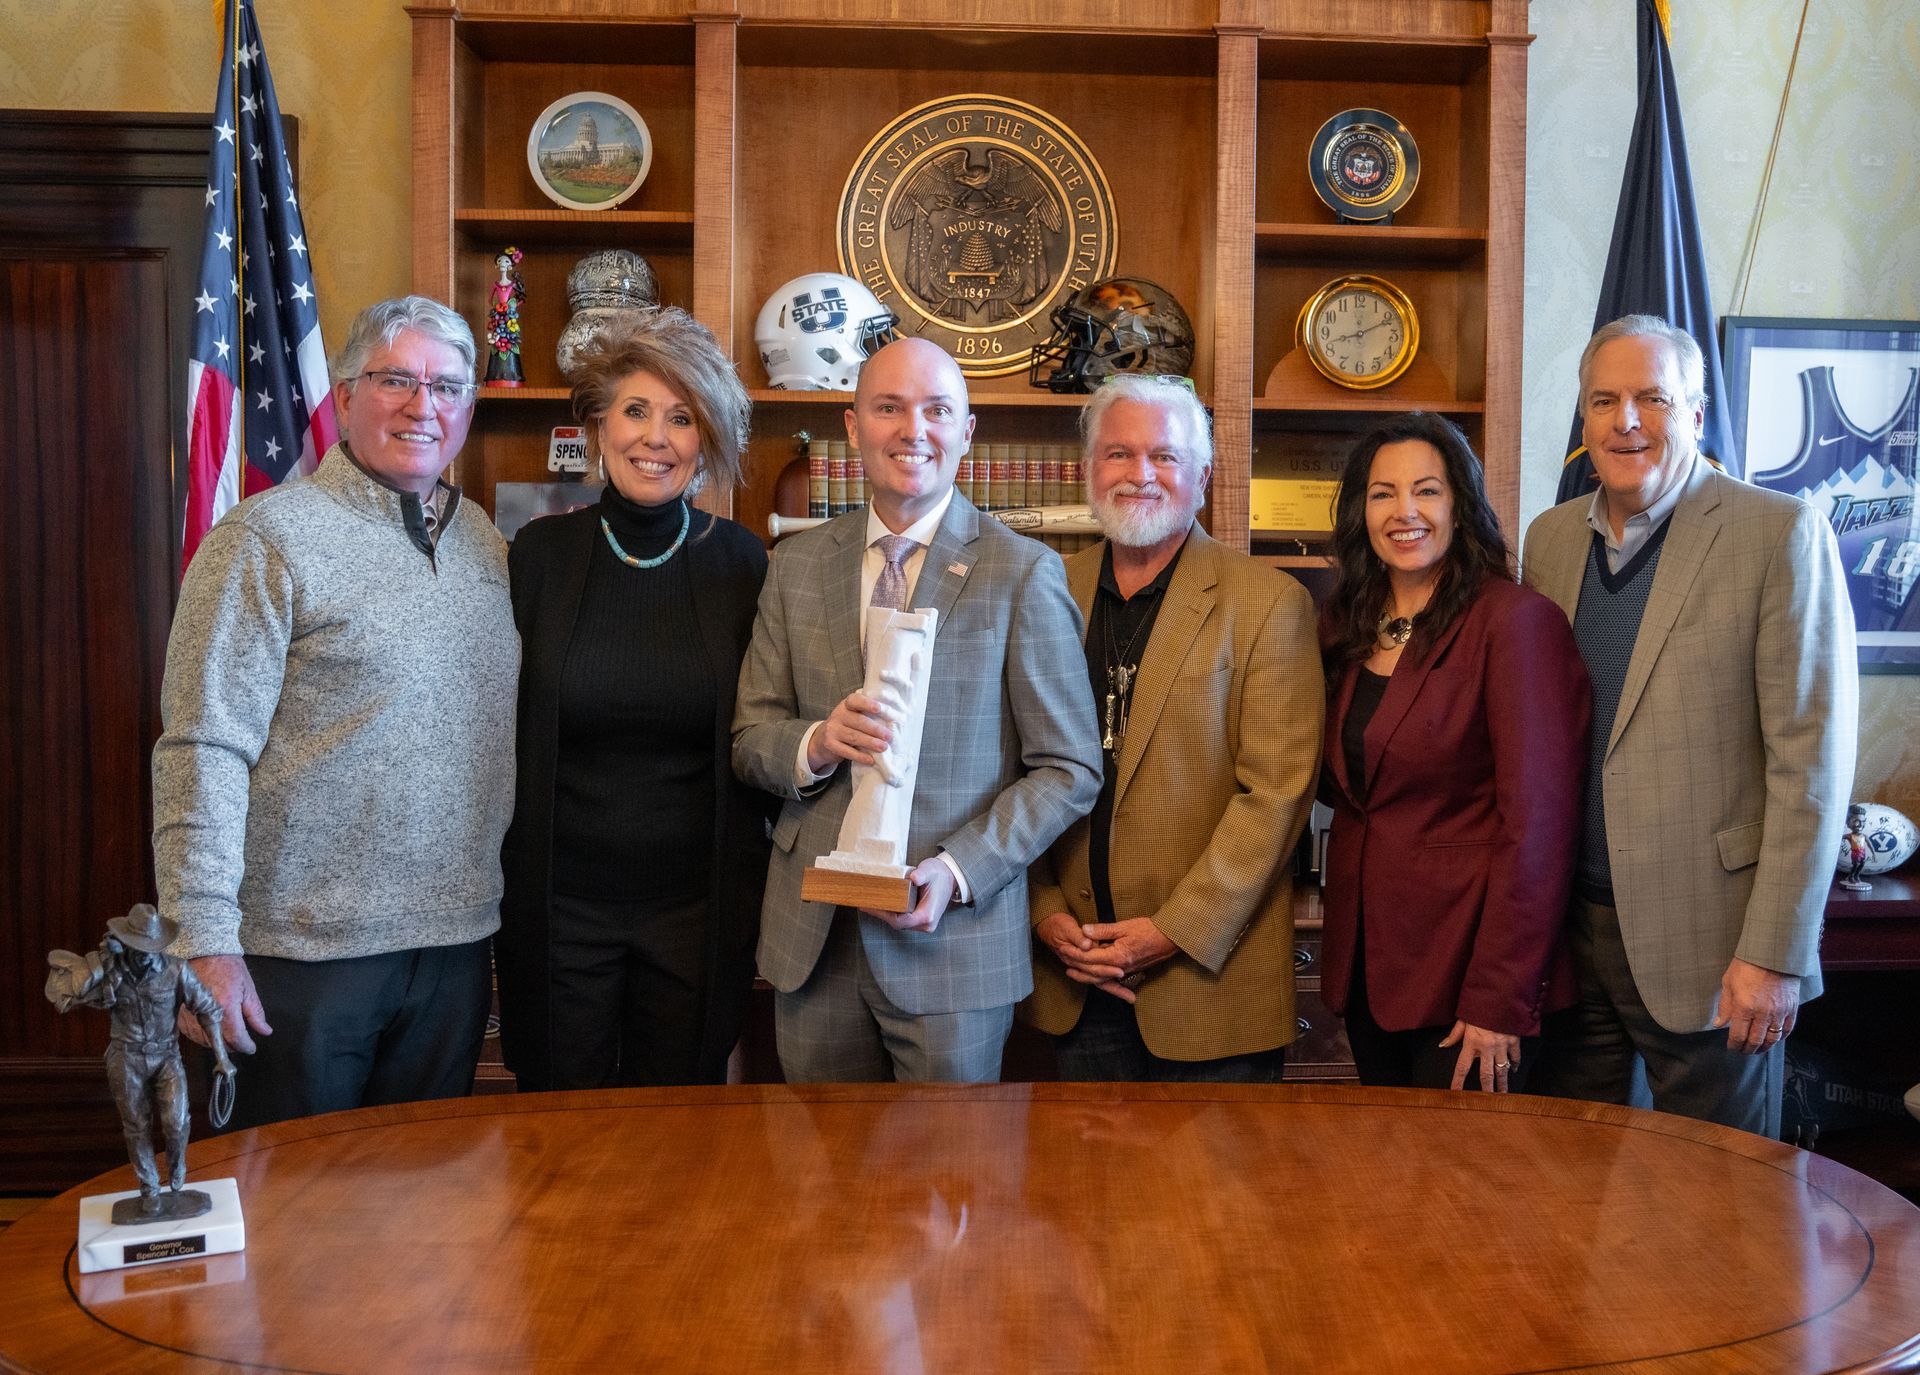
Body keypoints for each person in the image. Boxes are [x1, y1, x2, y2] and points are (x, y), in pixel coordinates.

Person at [153, 295, 518, 1131]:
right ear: (346, 395)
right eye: (397, 379)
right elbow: (200, 748)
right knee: (293, 1216)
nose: (424, 406)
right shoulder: (264, 538)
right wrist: (203, 938)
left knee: (424, 1224)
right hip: (299, 960)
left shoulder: (486, 545)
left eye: (448, 387)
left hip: (456, 948)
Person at [732, 337, 1102, 1083]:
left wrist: (959, 869)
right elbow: (750, 737)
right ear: (851, 424)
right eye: (889, 407)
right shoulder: (796, 567)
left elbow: (1068, 768)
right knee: (817, 1185)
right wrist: (816, 744)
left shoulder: (1023, 572)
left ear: (967, 431)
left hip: (953, 949)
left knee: (949, 1188)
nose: (914, 430)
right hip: (816, 944)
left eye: (937, 410)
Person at [1523, 315, 1857, 1136]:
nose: (1625, 420)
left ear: (1697, 415)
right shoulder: (1552, 539)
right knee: (1579, 1189)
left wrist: (1775, 954)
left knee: (1725, 1208)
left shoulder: (1777, 532)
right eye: (1605, 400)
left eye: (1651, 398)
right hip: (1575, 934)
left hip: (1714, 945)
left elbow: (1809, 766)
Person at [497, 307, 770, 1090]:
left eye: (682, 418)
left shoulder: (742, 565)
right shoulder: (537, 556)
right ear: (597, 425)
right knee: (557, 1146)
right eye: (637, 410)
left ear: (706, 438)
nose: (657, 437)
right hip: (559, 913)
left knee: (678, 1150)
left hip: (698, 913)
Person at [1025, 375, 1323, 1080]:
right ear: (1089, 469)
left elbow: (1276, 798)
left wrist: (1169, 932)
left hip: (1208, 991)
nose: (1140, 475)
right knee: (1088, 1192)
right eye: (1118, 454)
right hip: (1076, 977)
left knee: (1214, 1196)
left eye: (1163, 456)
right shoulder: (1042, 590)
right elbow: (1005, 768)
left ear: (1203, 474)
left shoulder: (1268, 602)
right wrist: (1041, 912)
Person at [1319, 412, 1591, 1094]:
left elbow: (1539, 827)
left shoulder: (1514, 622)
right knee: (1386, 1178)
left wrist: (1499, 998)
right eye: (1382, 493)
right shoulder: (1345, 622)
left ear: (1461, 505)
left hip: (1469, 978)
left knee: (1461, 1193)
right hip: (1369, 968)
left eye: (1427, 490)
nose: (1404, 511)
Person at [45, 905, 234, 1218]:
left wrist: (222, 1057)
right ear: (127, 943)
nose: (146, 954)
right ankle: (149, 1190)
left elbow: (208, 1010)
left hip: (166, 1055)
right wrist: (99, 965)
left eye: (152, 948)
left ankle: (177, 1170)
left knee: (176, 1121)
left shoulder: (177, 970)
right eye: (139, 948)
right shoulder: (111, 973)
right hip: (126, 1055)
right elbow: (68, 998)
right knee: (136, 1126)